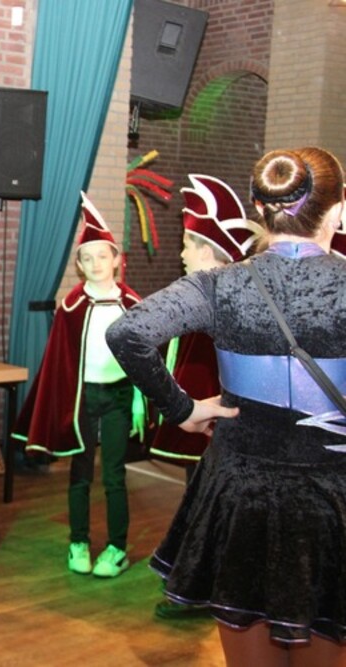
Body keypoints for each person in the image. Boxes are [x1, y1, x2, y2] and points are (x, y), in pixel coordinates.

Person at [107, 147, 346, 665]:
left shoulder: (219, 284)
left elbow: (127, 333)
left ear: (260, 209)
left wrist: (183, 409)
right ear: (338, 209)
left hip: (239, 491)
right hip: (331, 497)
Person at [12, 193, 146, 579]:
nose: (95, 264)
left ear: (116, 259)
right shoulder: (71, 307)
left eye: (102, 256)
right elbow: (60, 365)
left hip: (119, 396)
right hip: (82, 399)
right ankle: (79, 541)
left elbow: (143, 358)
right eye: (87, 258)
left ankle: (117, 548)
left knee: (115, 474)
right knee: (81, 471)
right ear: (79, 265)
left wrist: (140, 400)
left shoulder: (132, 304)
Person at [151, 174, 260, 620]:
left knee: (216, 507)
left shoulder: (222, 299)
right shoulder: (202, 293)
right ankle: (195, 582)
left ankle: (210, 587)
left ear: (209, 251)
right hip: (199, 412)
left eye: (187, 245)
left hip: (221, 420)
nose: (181, 254)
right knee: (199, 501)